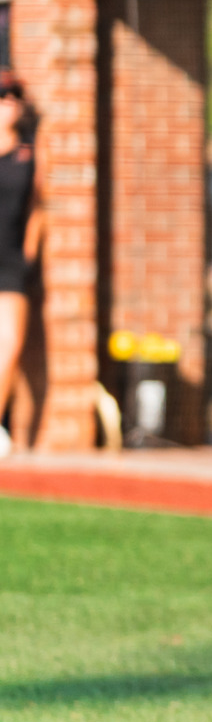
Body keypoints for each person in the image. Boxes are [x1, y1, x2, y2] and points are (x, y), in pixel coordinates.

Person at [0, 74, 42, 457]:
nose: (9, 103)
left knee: (10, 345)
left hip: (11, 259)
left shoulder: (28, 152)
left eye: (14, 97)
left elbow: (37, 208)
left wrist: (29, 251)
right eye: (2, 97)